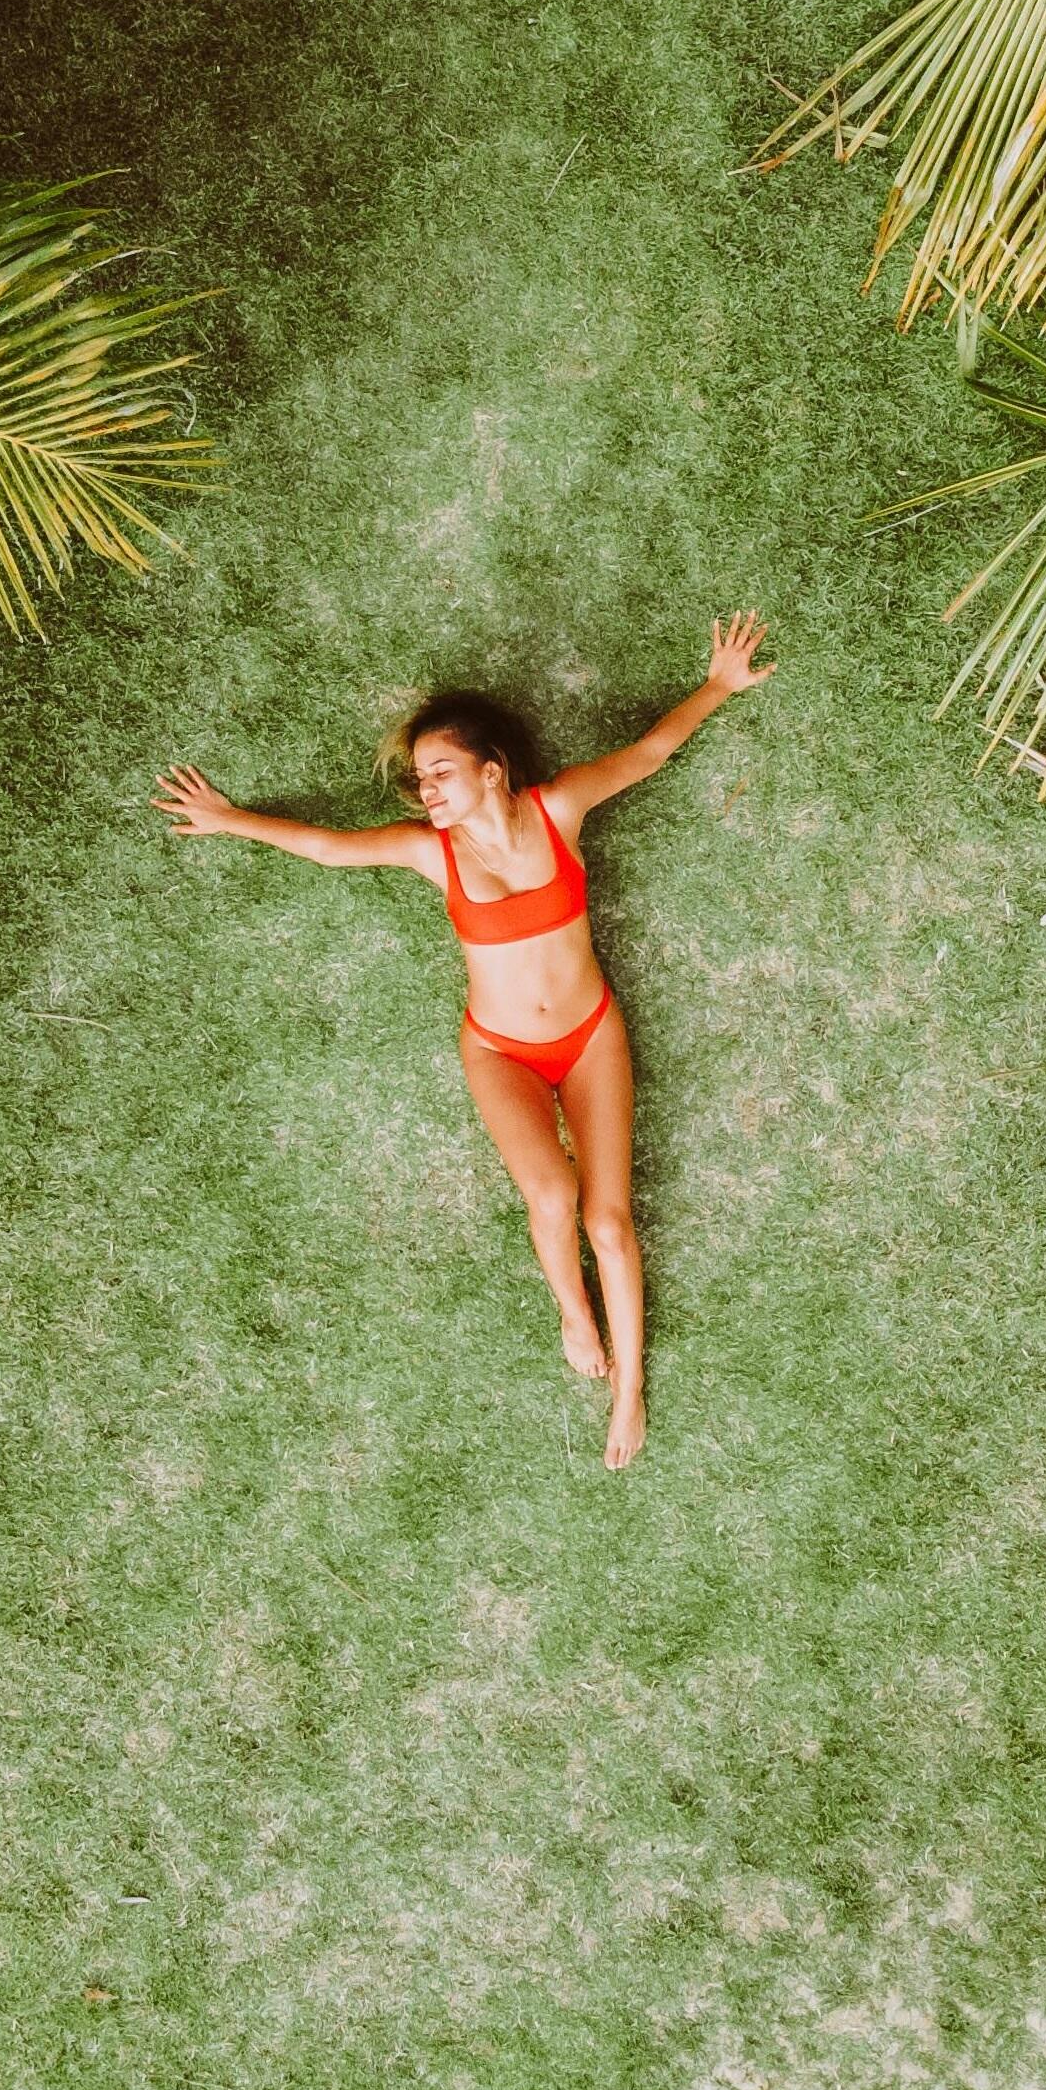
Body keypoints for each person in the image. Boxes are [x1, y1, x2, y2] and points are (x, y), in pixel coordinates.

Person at [154, 615, 774, 1468]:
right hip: (500, 1050)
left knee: (609, 1222)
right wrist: (230, 820)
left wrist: (718, 685)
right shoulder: (433, 853)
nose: (428, 791)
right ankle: (574, 1313)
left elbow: (649, 752)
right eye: (421, 779)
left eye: (441, 772)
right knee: (552, 1198)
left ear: (492, 770)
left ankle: (628, 1387)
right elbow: (327, 848)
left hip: (591, 1036)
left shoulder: (560, 809)